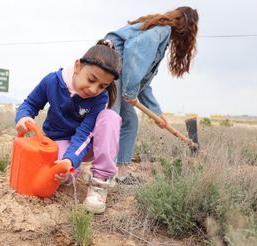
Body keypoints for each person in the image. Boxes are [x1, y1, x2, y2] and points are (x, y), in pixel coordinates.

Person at [15, 40, 122, 214]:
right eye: (91, 79)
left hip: (87, 143)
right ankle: (69, 173)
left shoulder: (99, 99)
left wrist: (70, 159)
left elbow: (85, 134)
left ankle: (99, 183)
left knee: (110, 117)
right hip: (57, 141)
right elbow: (30, 103)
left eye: (102, 86)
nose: (94, 89)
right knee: (61, 174)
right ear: (78, 66)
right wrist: (24, 116)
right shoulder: (52, 81)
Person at [104, 6, 199, 183]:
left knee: (130, 121)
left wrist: (157, 114)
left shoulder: (161, 35)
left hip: (122, 70)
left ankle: (121, 175)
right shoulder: (161, 31)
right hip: (111, 60)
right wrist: (129, 92)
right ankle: (105, 174)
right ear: (186, 27)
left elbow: (143, 84)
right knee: (113, 118)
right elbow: (134, 53)